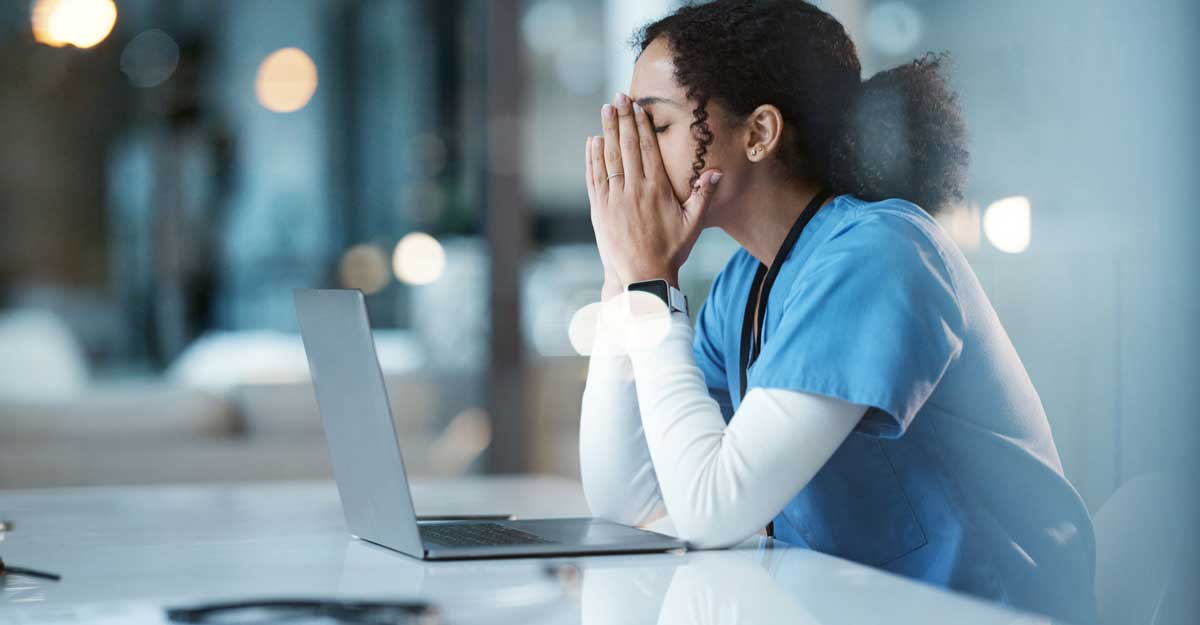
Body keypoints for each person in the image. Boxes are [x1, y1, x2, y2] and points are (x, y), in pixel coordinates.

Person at [578, 1, 1097, 623]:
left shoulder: (880, 253)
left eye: (655, 127)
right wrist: (621, 273)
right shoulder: (746, 281)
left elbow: (708, 510)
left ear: (759, 134)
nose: (628, 155)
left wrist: (651, 283)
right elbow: (626, 502)